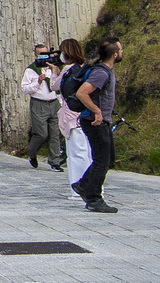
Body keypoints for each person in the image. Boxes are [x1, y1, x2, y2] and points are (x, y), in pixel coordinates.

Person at [73, 38, 123, 214]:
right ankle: (94, 198)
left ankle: (83, 184)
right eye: (121, 50)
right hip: (95, 122)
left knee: (108, 159)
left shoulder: (105, 70)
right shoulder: (101, 73)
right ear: (115, 54)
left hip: (102, 121)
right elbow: (82, 93)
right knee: (102, 160)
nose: (122, 52)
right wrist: (97, 111)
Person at [51, 38, 90, 199]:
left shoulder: (68, 70)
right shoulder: (86, 68)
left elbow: (54, 86)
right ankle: (93, 187)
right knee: (88, 153)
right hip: (86, 115)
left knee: (75, 154)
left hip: (72, 116)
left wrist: (54, 72)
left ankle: (78, 190)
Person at [21, 43, 66, 172]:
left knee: (55, 134)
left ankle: (54, 162)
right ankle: (31, 152)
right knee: (41, 134)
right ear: (36, 55)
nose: (44, 57)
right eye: (41, 54)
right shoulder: (31, 70)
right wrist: (38, 81)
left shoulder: (54, 67)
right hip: (39, 104)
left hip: (54, 102)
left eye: (46, 53)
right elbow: (25, 88)